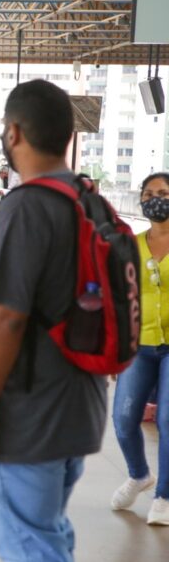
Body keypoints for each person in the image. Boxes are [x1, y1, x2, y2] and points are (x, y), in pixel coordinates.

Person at [0, 79, 107, 562]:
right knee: (49, 541)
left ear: (13, 133)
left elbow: (10, 316)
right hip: (75, 408)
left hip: (25, 416)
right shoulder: (89, 203)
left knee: (35, 556)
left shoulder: (27, 207)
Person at [109, 172, 169, 526]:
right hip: (139, 344)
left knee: (167, 420)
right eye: (149, 194)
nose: (156, 199)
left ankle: (163, 495)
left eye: (163, 193)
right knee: (123, 418)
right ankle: (138, 474)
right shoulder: (131, 244)